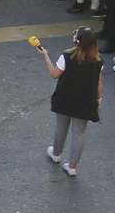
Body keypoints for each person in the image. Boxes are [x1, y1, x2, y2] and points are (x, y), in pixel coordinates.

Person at [38, 27, 102, 177]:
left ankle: (56, 153)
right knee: (79, 133)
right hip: (86, 101)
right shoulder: (98, 61)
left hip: (65, 98)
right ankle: (72, 166)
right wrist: (98, 99)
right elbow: (99, 82)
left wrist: (46, 56)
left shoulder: (67, 56)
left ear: (77, 40)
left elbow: (55, 74)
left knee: (61, 128)